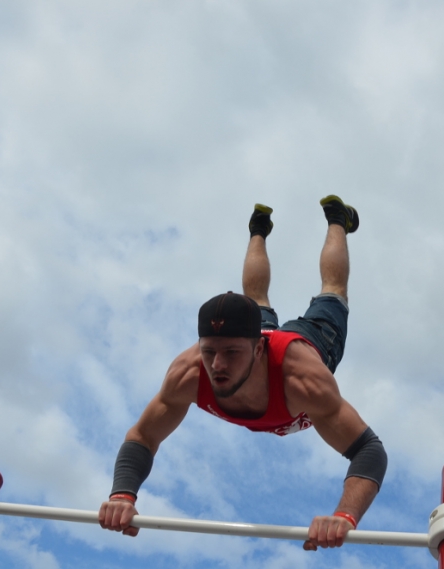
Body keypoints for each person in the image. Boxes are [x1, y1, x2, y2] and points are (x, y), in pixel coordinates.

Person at [97, 196, 387, 550]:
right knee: (255, 299)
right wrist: (123, 495)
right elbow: (143, 436)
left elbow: (368, 450)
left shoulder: (304, 381)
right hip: (259, 343)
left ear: (258, 348)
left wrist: (344, 516)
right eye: (209, 352)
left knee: (333, 292)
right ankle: (258, 229)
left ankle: (338, 220)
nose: (217, 365)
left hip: (310, 341)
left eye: (230, 353)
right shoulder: (189, 373)